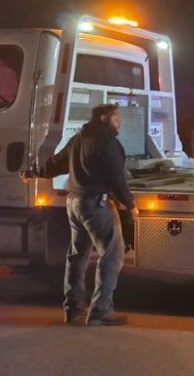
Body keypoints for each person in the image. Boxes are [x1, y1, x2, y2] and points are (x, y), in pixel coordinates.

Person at [35, 103, 137, 326]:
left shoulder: (78, 139)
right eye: (116, 119)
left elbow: (56, 164)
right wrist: (129, 205)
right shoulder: (108, 143)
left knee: (77, 256)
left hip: (74, 203)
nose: (119, 123)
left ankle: (73, 310)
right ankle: (100, 312)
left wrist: (34, 172)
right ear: (103, 118)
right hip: (95, 204)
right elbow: (117, 178)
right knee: (111, 255)